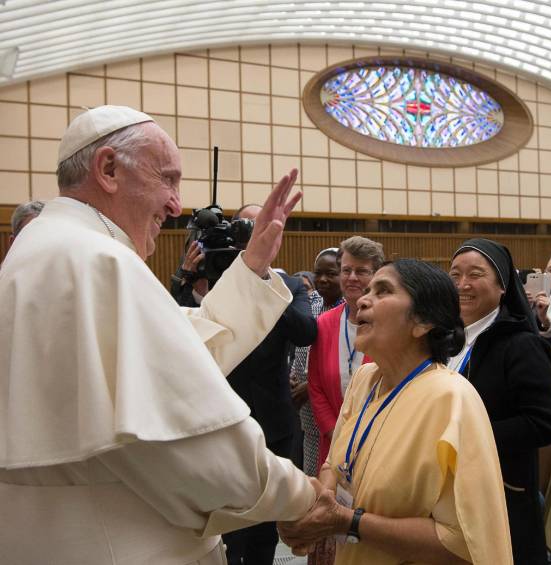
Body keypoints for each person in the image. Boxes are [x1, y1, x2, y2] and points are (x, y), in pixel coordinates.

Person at [0, 105, 318, 565]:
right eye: (167, 179)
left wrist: (251, 266)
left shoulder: (48, 249)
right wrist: (303, 496)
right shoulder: (98, 260)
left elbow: (178, 352)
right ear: (109, 169)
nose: (175, 204)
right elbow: (191, 442)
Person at [278, 259, 513, 564]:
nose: (363, 300)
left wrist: (349, 522)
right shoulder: (365, 379)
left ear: (422, 322)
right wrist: (318, 511)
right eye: (368, 291)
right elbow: (335, 464)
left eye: (383, 291)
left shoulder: (452, 399)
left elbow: (465, 544)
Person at [448, 238, 551, 564]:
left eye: (475, 275)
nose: (462, 285)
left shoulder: (520, 344)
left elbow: (544, 423)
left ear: (502, 286)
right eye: (455, 275)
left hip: (500, 495)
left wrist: (465, 437)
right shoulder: (444, 340)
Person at [223, 269, 318, 565]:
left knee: (264, 523)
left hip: (273, 420)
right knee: (226, 517)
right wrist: (191, 282)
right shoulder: (218, 278)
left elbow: (306, 332)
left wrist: (266, 290)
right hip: (223, 421)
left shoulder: (290, 286)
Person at [308, 236, 384, 470]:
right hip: (332, 446)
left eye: (361, 271)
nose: (352, 277)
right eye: (346, 270)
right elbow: (315, 385)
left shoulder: (389, 324)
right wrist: (335, 433)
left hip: (377, 445)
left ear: (377, 276)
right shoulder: (324, 323)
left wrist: (360, 439)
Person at [290, 247, 345, 479]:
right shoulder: (309, 303)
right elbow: (299, 348)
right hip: (307, 411)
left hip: (334, 405)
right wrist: (292, 376)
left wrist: (310, 387)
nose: (322, 279)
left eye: (331, 274)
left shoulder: (351, 310)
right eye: (318, 273)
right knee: (312, 472)